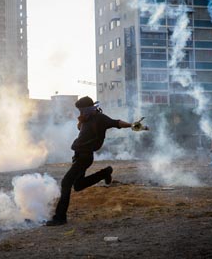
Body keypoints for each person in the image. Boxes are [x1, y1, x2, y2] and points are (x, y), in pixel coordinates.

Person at [45, 96, 146, 226]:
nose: (80, 113)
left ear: (89, 108)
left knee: (66, 183)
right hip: (78, 155)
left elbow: (117, 123)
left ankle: (60, 217)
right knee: (78, 185)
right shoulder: (86, 118)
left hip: (85, 157)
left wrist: (131, 125)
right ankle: (105, 173)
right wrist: (80, 121)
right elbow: (80, 129)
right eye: (79, 111)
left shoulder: (100, 118)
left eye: (82, 110)